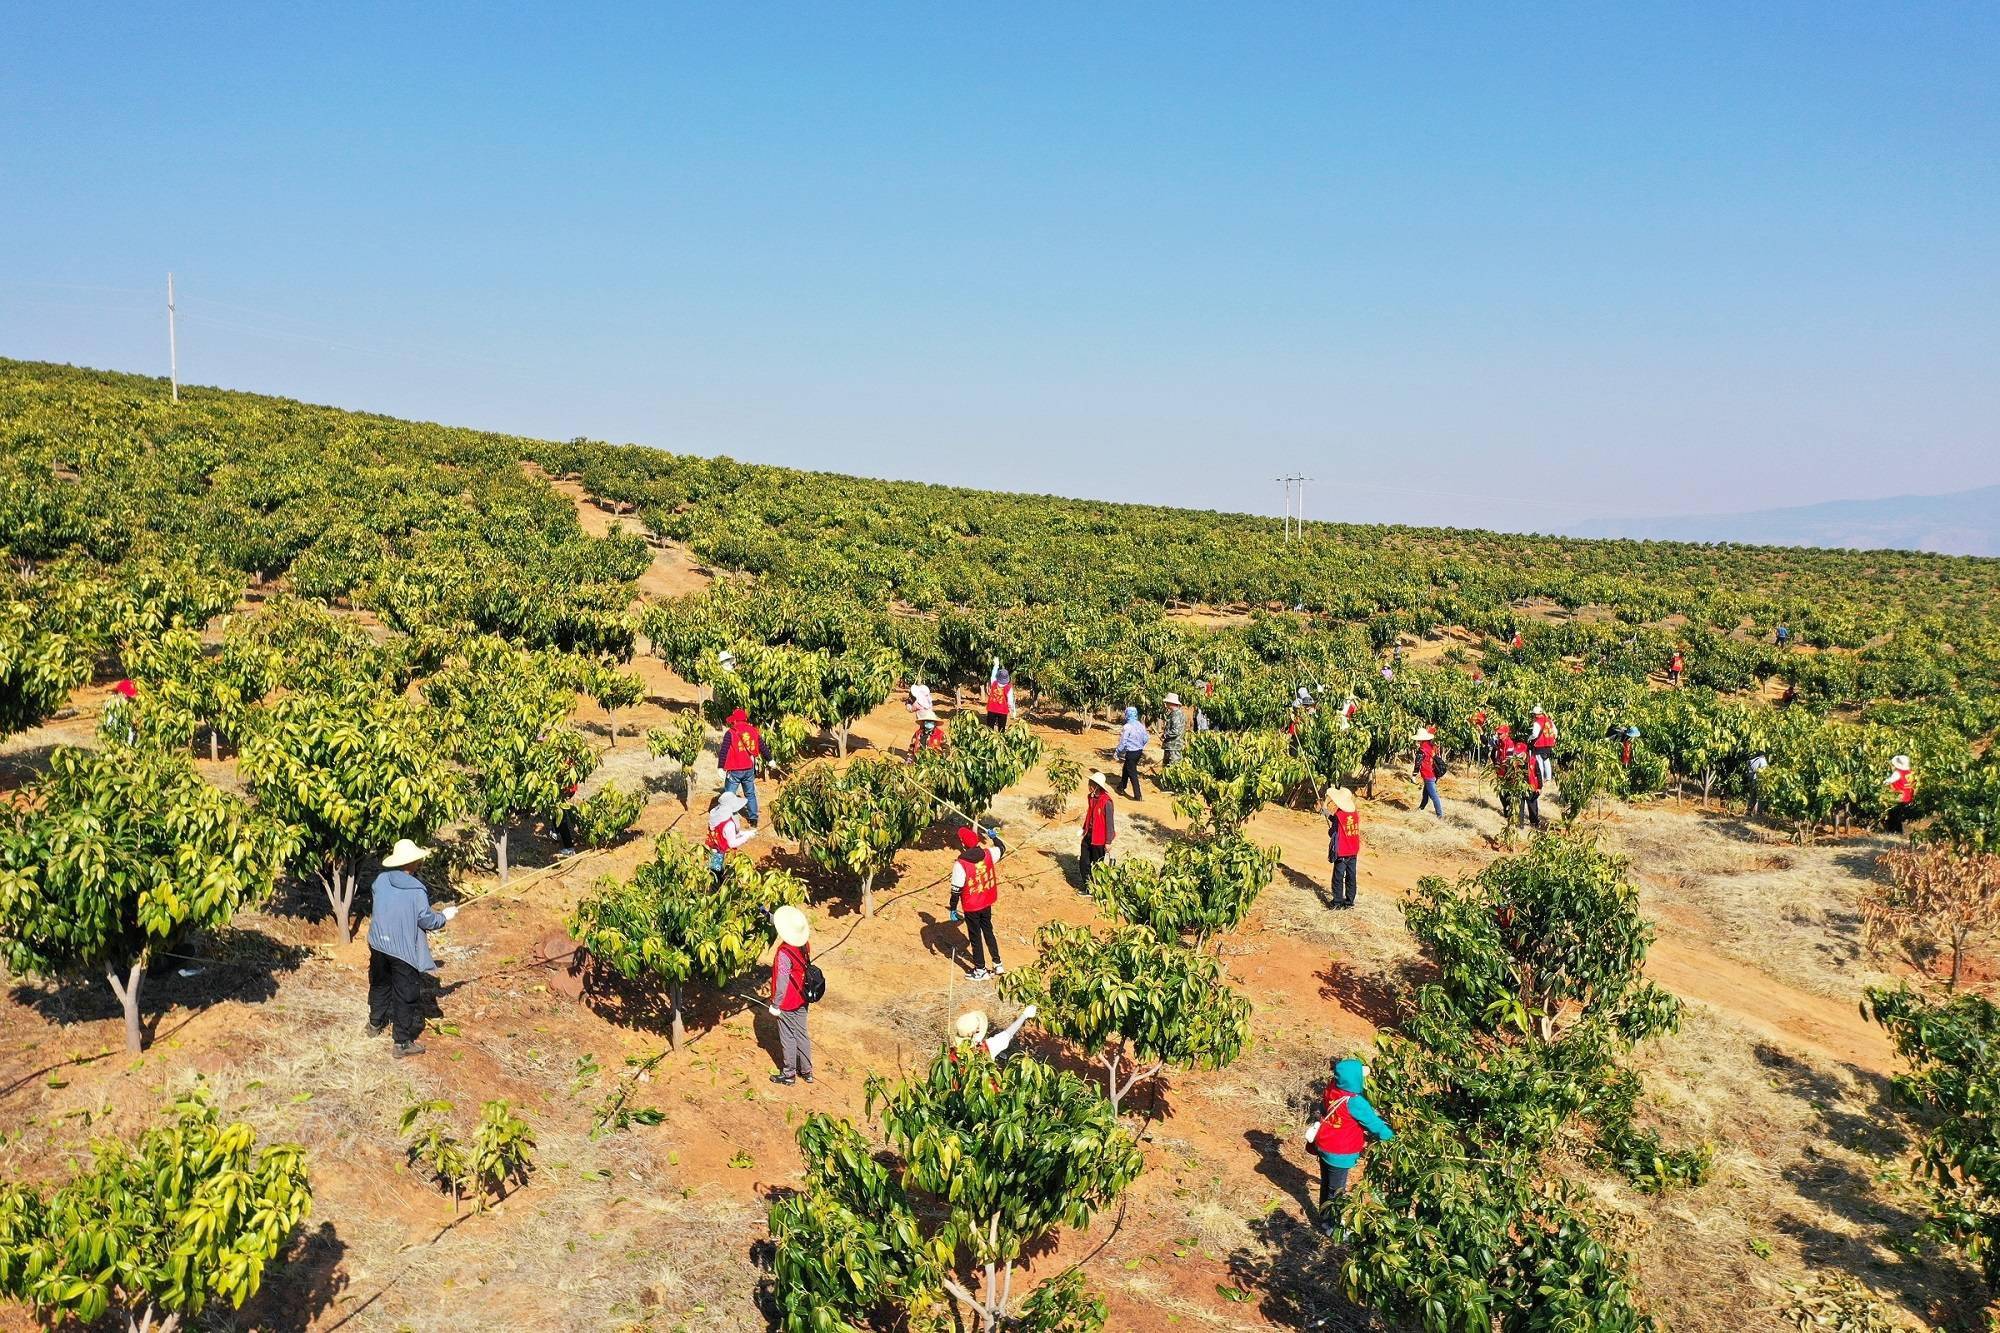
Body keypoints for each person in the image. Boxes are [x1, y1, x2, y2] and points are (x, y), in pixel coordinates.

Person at [366, 839, 458, 1058]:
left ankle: (374, 1024)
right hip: (401, 949)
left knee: (380, 984)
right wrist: (443, 917)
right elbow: (427, 920)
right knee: (405, 994)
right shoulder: (417, 890)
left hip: (378, 943)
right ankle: (402, 1042)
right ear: (413, 862)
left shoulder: (380, 880)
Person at [1306, 1057, 1395, 1234]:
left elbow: (1325, 1107)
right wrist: (1391, 1138)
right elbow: (1374, 1124)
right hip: (1340, 1152)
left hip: (1324, 1144)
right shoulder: (1355, 1102)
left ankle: (1325, 1218)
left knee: (1327, 1185)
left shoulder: (1332, 1088)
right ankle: (1333, 1227)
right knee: (1337, 1192)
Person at [951, 824, 1010, 980]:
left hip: (972, 905)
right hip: (986, 901)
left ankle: (980, 970)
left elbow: (956, 890)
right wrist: (993, 837)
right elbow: (1002, 848)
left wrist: (952, 908)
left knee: (975, 937)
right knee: (988, 931)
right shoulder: (989, 854)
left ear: (963, 844)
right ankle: (997, 964)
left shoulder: (960, 864)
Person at [767, 904, 814, 1086]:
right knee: (802, 1033)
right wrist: (767, 915)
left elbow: (782, 981)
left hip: (787, 1000)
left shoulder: (784, 953)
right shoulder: (804, 944)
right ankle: (807, 1071)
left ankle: (789, 1074)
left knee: (788, 1036)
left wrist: (776, 1004)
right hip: (803, 997)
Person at [718, 707, 763, 824]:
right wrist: (770, 759)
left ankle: (728, 819)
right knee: (750, 794)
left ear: (735, 720)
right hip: (749, 769)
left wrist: (720, 766)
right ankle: (753, 819)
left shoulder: (731, 733)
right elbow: (762, 746)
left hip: (735, 769)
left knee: (729, 795)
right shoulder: (754, 731)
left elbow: (724, 750)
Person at [706, 791, 758, 884]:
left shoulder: (716, 817)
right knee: (721, 881)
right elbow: (732, 843)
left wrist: (744, 833)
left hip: (713, 853)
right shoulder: (729, 824)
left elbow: (725, 834)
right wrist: (747, 837)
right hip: (723, 856)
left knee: (713, 877)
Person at [952, 1006, 1036, 1061]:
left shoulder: (952, 1053)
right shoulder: (987, 1047)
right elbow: (1008, 1033)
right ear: (976, 1033)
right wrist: (1025, 1015)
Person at [1323, 786, 1360, 909]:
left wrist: (1327, 814)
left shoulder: (1339, 815)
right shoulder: (1354, 814)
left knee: (1338, 877)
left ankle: (1337, 902)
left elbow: (1333, 831)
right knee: (1351, 876)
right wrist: (1328, 814)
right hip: (1353, 851)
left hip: (1342, 852)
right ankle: (1349, 902)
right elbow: (1338, 821)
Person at [1080, 772, 1116, 889]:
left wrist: (1108, 841)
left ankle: (1096, 888)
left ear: (1097, 786)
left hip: (1099, 839)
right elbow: (1090, 815)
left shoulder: (1106, 801)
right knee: (1084, 862)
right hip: (1089, 835)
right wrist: (1084, 828)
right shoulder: (1090, 798)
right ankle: (1088, 887)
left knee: (1097, 865)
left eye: (1091, 784)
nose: (1089, 786)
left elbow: (1109, 823)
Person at [1113, 706, 1149, 799]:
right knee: (1126, 768)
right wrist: (1140, 745)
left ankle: (1138, 795)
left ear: (1127, 715)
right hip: (1139, 751)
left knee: (1132, 773)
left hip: (1131, 752)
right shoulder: (1140, 725)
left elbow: (1123, 742)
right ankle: (1121, 787)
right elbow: (1146, 738)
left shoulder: (1127, 727)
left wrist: (1117, 752)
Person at [1412, 727, 1443, 819]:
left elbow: (1417, 764)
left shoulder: (1421, 751)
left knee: (1434, 795)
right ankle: (1421, 808)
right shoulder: (1431, 747)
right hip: (1433, 773)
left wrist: (1413, 775)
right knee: (1426, 793)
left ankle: (1439, 815)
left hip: (1428, 774)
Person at [1884, 755, 1916, 833]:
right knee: (1897, 814)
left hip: (1900, 797)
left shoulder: (1898, 773)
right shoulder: (1911, 772)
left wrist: (1883, 782)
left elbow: (1889, 781)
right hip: (1909, 797)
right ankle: (1897, 831)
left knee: (1892, 813)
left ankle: (1894, 831)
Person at [1527, 706, 1556, 786]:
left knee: (1539, 761)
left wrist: (1529, 738)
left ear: (1535, 714)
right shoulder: (1549, 720)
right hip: (1549, 743)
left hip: (1540, 744)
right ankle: (1549, 778)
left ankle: (1541, 778)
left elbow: (1535, 734)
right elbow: (1555, 731)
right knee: (1546, 760)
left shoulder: (1537, 723)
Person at [1520, 737, 1544, 829]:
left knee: (1532, 806)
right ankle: (1520, 824)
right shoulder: (1516, 762)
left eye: (1520, 754)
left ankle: (1534, 823)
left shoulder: (1533, 761)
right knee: (1520, 807)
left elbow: (1538, 774)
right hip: (1520, 787)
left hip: (1531, 787)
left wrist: (1540, 787)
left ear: (1525, 752)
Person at [984, 661, 1015, 730]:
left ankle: (989, 740)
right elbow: (1010, 701)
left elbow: (993, 674)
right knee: (1001, 729)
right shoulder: (1009, 688)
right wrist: (1012, 710)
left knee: (989, 728)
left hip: (991, 708)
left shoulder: (993, 682)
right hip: (1003, 710)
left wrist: (996, 665)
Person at [1160, 694, 1188, 768]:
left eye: (1167, 702)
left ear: (1171, 703)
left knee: (1172, 767)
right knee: (1167, 767)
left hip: (1174, 746)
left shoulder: (1176, 715)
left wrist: (1165, 735)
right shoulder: (1175, 713)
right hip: (1171, 746)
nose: (1165, 704)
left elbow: (1176, 731)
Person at [1747, 752, 1769, 816]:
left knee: (1753, 795)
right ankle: (1759, 812)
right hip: (1759, 780)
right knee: (1762, 796)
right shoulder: (1762, 760)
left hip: (1753, 780)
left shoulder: (1752, 761)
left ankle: (1749, 811)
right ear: (1763, 755)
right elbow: (1764, 770)